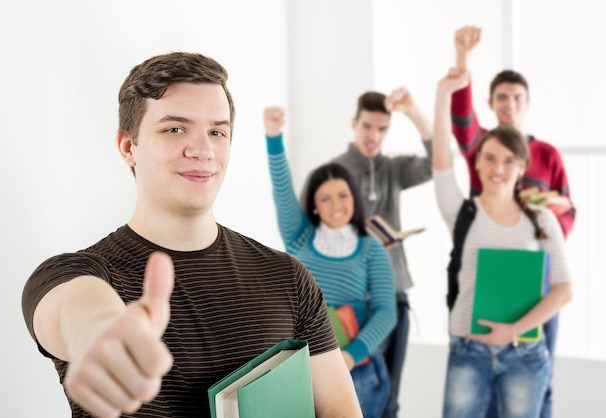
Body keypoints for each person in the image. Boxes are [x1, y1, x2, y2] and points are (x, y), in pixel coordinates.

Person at [21, 52, 363, 418]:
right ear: (127, 147)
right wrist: (99, 331)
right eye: (175, 128)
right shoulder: (82, 274)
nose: (202, 150)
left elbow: (340, 411)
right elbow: (72, 307)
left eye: (217, 131)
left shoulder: (288, 278)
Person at [433, 66, 573, 418]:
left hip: (524, 353)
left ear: (522, 167)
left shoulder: (542, 221)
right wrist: (442, 93)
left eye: (509, 161)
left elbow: (564, 289)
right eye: (491, 158)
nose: (498, 168)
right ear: (477, 161)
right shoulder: (461, 212)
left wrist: (513, 330)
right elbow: (440, 162)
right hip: (468, 350)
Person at [264, 106, 397, 418]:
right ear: (313, 205)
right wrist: (273, 136)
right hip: (306, 366)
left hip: (358, 368)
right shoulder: (300, 238)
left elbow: (386, 312)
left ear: (355, 198)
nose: (336, 206)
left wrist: (351, 356)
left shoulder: (371, 249)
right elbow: (282, 191)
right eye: (325, 198)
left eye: (343, 196)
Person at [327, 88, 433, 418]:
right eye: (367, 127)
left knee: (389, 400)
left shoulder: (393, 169)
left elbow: (437, 163)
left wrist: (413, 112)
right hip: (352, 302)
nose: (374, 136)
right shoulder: (333, 172)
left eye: (382, 129)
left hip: (394, 295)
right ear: (354, 124)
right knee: (356, 398)